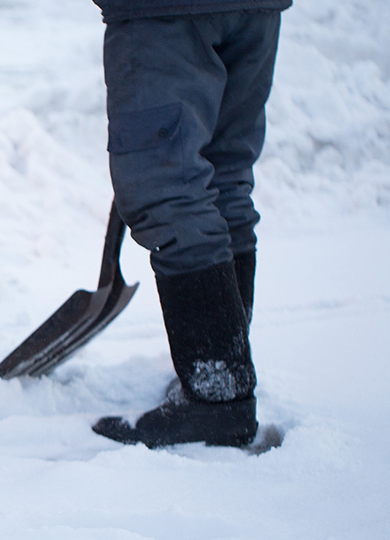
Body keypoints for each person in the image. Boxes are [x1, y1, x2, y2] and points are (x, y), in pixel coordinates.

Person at [88, 0, 292, 448]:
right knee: (222, 175)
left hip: (166, 12)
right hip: (256, 9)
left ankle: (217, 398)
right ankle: (224, 370)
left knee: (165, 186)